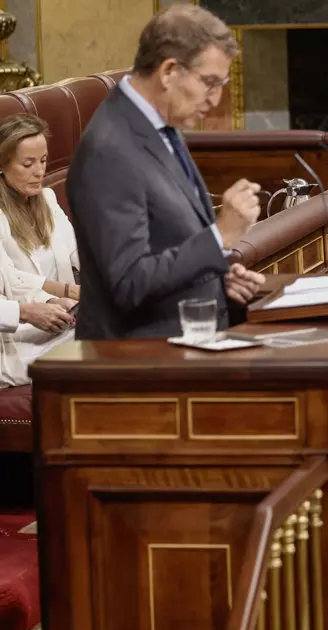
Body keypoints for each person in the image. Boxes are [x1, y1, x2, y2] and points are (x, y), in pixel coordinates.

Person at [69, 4, 265, 341]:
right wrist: (221, 236)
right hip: (138, 370)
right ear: (169, 71)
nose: (215, 100)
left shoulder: (160, 126)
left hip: (183, 350)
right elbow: (130, 282)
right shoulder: (110, 149)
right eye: (209, 83)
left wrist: (219, 275)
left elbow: (171, 241)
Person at [0, 114, 78, 386]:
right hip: (14, 343)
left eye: (43, 161)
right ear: (2, 165)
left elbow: (77, 251)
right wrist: (34, 309)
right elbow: (15, 283)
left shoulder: (47, 197)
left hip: (58, 322)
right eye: (28, 164)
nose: (39, 172)